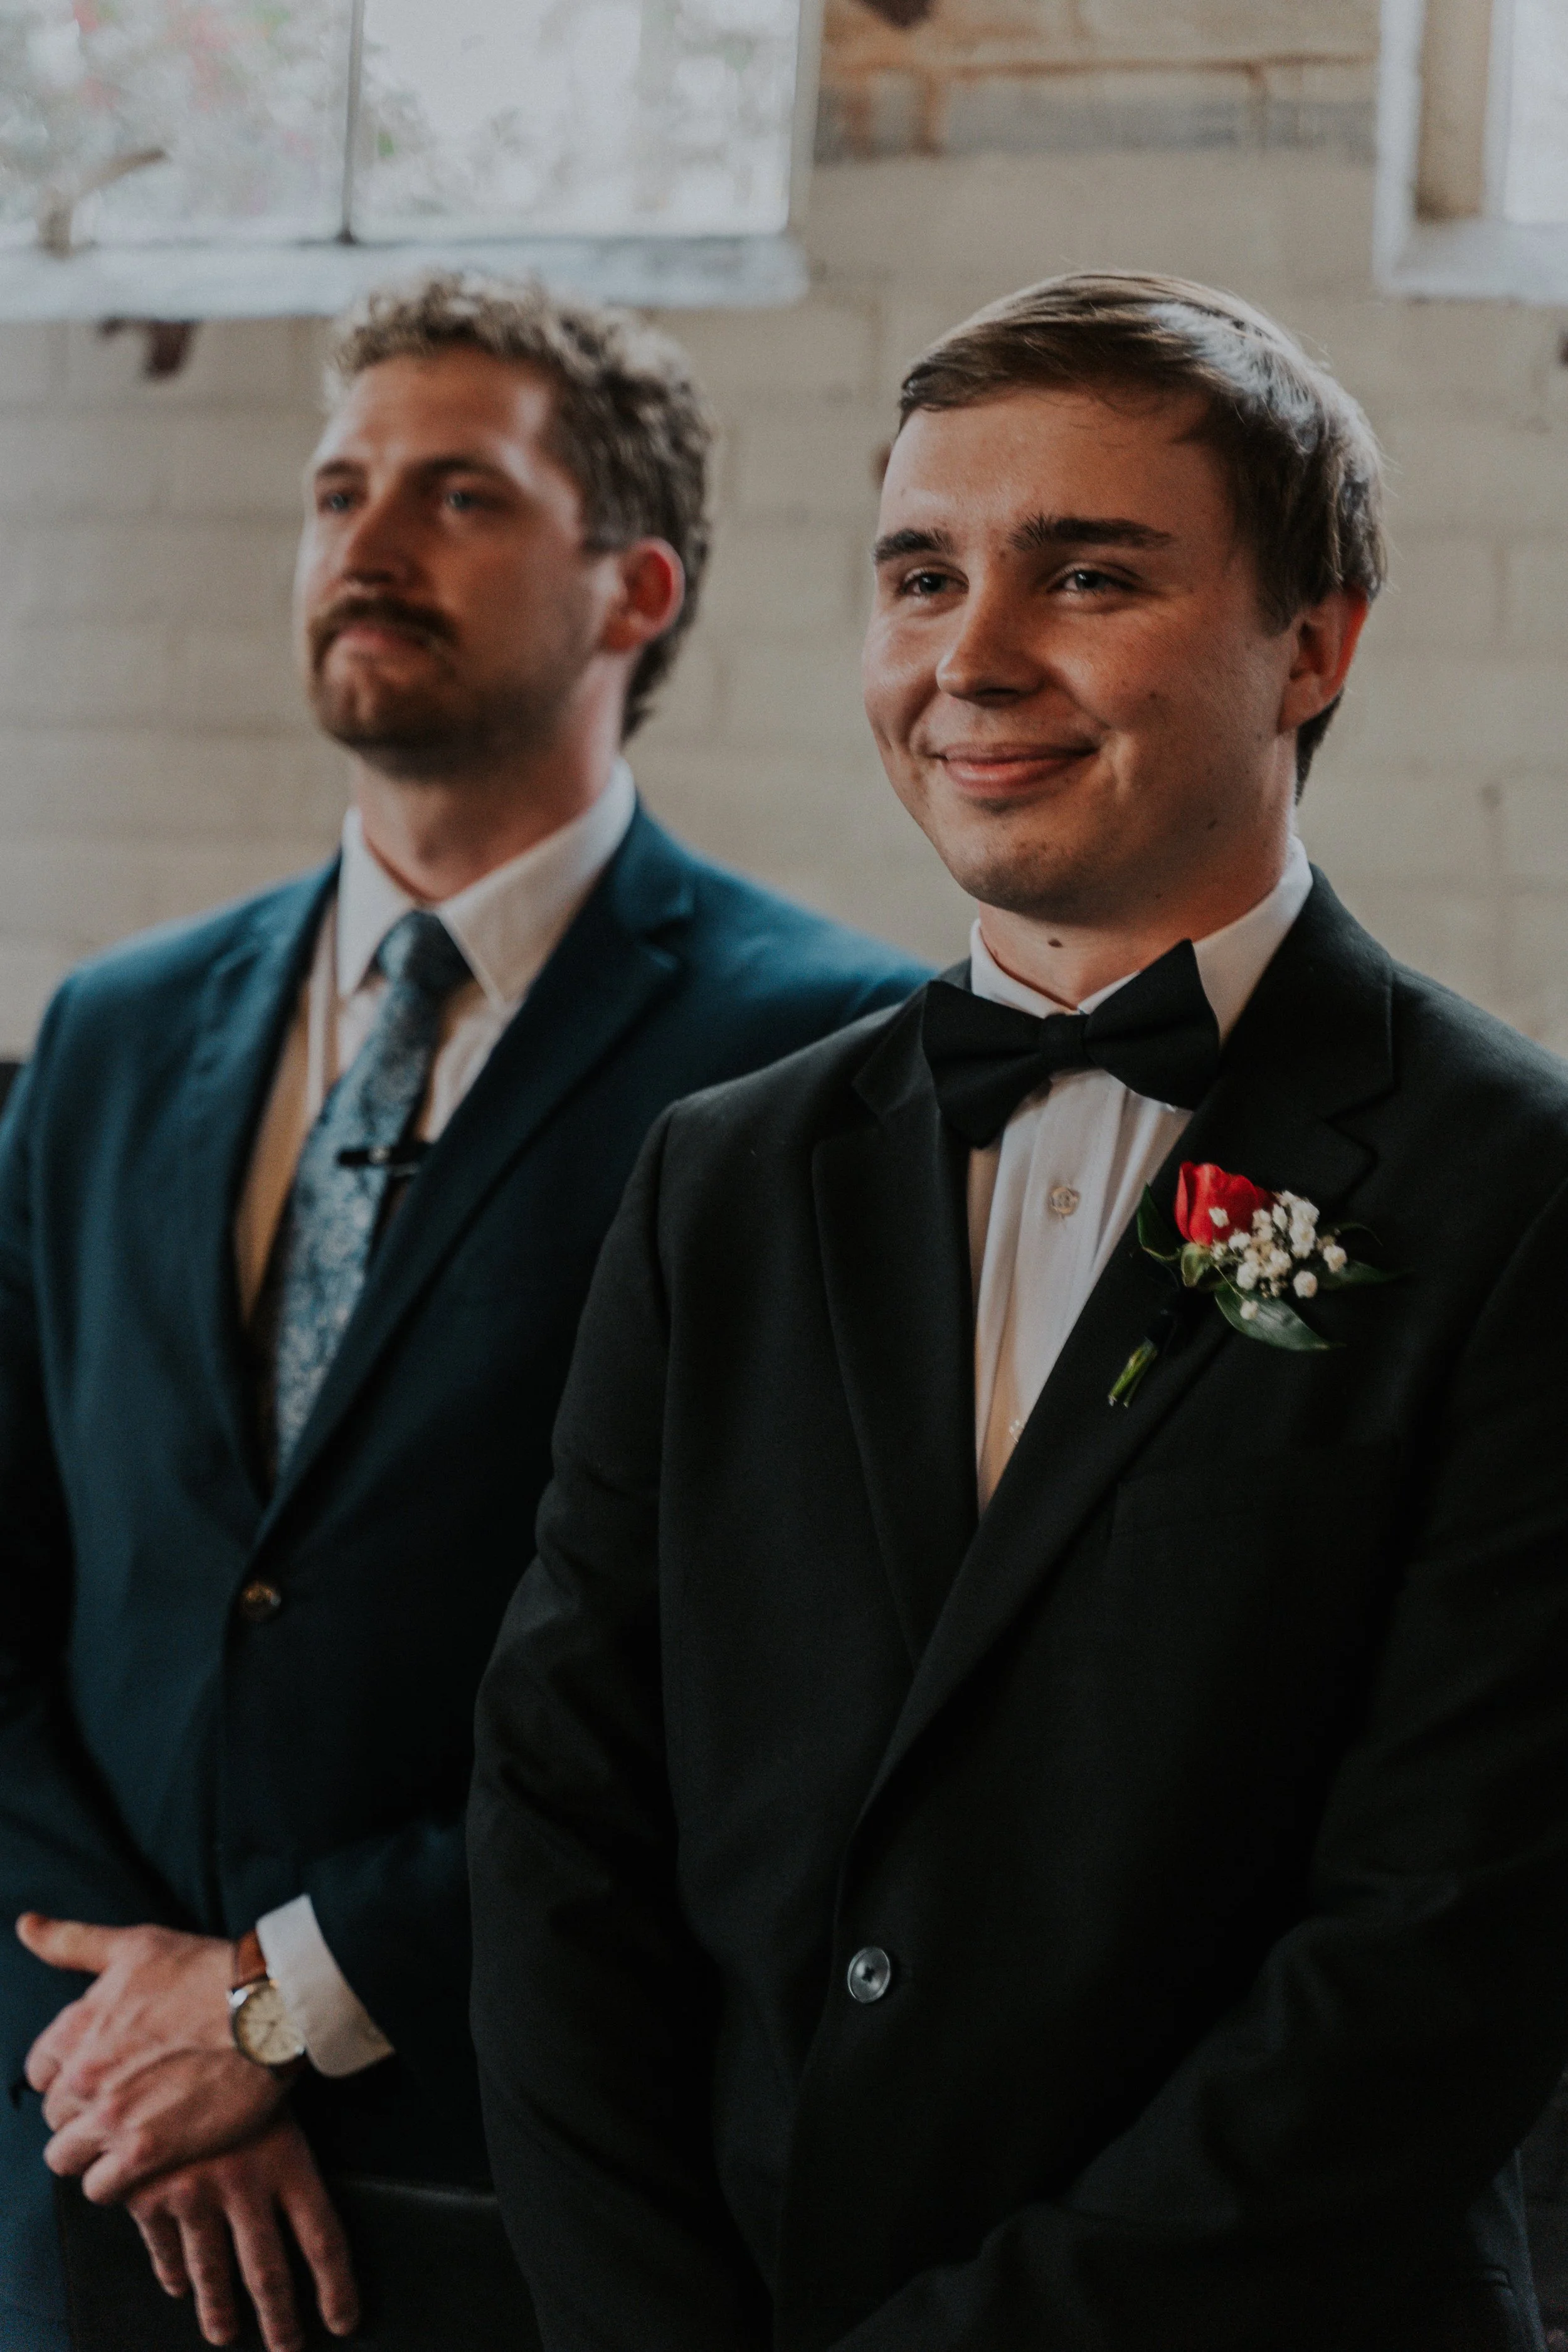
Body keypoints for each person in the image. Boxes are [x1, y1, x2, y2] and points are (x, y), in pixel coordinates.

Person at [467, 270, 1568, 2352]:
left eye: (1086, 574)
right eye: (919, 575)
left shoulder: (1512, 1193)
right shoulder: (723, 1178)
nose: (969, 657)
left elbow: (1442, 1949)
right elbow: (559, 1809)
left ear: (1312, 642)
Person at [0, 272, 927, 2352]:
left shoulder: (825, 1057)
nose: (368, 539)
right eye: (337, 490)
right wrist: (138, 2010)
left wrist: (283, 1999)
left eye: (460, 494)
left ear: (635, 587)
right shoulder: (113, 1032)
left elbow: (781, 1686)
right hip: (89, 2145)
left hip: (538, 2172)